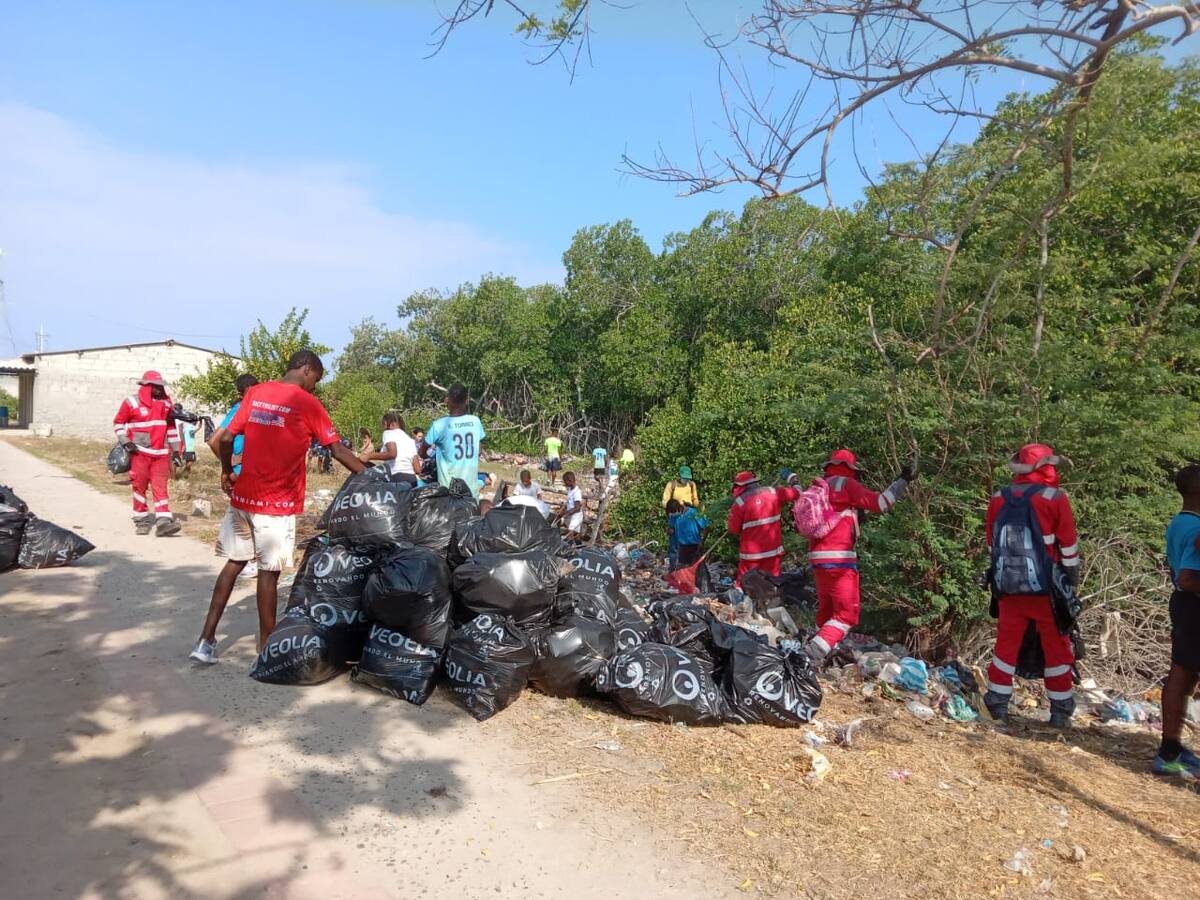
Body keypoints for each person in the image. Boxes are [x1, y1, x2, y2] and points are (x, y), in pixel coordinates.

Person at [190, 350, 366, 665]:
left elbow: (225, 437)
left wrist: (227, 470)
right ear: (307, 369)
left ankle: (205, 640)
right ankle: (267, 650)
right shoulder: (306, 403)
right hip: (276, 504)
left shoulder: (256, 393)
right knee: (269, 574)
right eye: (316, 379)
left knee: (234, 564)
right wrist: (372, 477)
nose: (314, 386)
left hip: (244, 498)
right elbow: (337, 449)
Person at [981, 444, 1079, 727]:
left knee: (1006, 643)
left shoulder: (998, 497)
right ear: (1047, 467)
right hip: (1046, 590)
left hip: (1008, 588)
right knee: (1056, 646)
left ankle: (997, 703)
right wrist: (1070, 584)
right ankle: (1060, 712)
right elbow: (1069, 548)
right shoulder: (1054, 497)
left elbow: (992, 544)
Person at [804, 449, 914, 661]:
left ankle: (818, 647)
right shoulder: (847, 485)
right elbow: (882, 503)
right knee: (847, 614)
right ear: (851, 469)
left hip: (817, 558)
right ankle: (812, 653)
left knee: (827, 612)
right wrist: (903, 479)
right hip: (840, 558)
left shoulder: (818, 486)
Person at [1158, 464, 1200, 775]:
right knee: (1182, 675)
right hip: (1193, 604)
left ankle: (1170, 749)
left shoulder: (1179, 522)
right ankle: (1168, 753)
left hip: (1184, 606)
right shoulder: (1197, 529)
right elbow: (1187, 578)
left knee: (1182, 673)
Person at [112, 370, 182, 536]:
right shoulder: (131, 402)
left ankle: (163, 521)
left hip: (161, 454)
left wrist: (177, 451)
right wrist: (125, 441)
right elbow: (118, 423)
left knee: (161, 487)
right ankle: (142, 520)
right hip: (139, 453)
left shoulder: (166, 404)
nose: (159, 390)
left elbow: (171, 428)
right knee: (139, 486)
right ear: (146, 386)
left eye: (160, 387)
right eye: (156, 387)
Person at [209, 373, 261, 579]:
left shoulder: (244, 408)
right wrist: (229, 467)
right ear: (242, 394)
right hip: (243, 472)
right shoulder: (242, 409)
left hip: (240, 471)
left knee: (248, 518)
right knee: (253, 518)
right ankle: (252, 562)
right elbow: (215, 441)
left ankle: (249, 560)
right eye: (252, 391)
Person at [727, 471, 799, 587]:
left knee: (745, 584)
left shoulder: (739, 503)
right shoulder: (772, 492)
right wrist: (793, 478)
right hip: (773, 551)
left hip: (751, 555)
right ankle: (774, 604)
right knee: (773, 583)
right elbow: (798, 493)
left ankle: (743, 604)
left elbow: (733, 530)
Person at [424, 383, 486, 498]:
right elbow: (479, 450)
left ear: (447, 400)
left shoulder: (439, 425)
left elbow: (422, 452)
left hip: (448, 491)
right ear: (467, 400)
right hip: (471, 491)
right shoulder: (476, 421)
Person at [360, 412, 420, 485]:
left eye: (384, 425)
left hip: (396, 477)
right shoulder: (410, 440)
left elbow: (392, 454)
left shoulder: (388, 433)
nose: (384, 427)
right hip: (411, 479)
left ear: (391, 424)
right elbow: (417, 469)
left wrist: (369, 456)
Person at [676, 504, 711, 592]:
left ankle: (703, 589)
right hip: (683, 547)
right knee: (684, 570)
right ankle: (686, 588)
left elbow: (706, 526)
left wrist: (702, 541)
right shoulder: (679, 516)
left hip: (694, 545)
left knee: (699, 569)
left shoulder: (694, 513)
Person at [563, 471, 585, 540]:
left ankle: (569, 547)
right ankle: (578, 546)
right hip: (571, 514)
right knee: (575, 533)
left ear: (569, 481)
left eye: (565, 481)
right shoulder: (570, 489)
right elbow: (570, 502)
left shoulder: (577, 492)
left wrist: (567, 513)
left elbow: (577, 507)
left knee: (570, 532)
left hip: (576, 515)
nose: (565, 483)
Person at [666, 499, 683, 569]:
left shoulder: (672, 517)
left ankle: (673, 569)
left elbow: (671, 530)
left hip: (674, 539)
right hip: (682, 539)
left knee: (673, 553)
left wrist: (669, 530)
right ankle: (680, 569)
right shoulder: (681, 516)